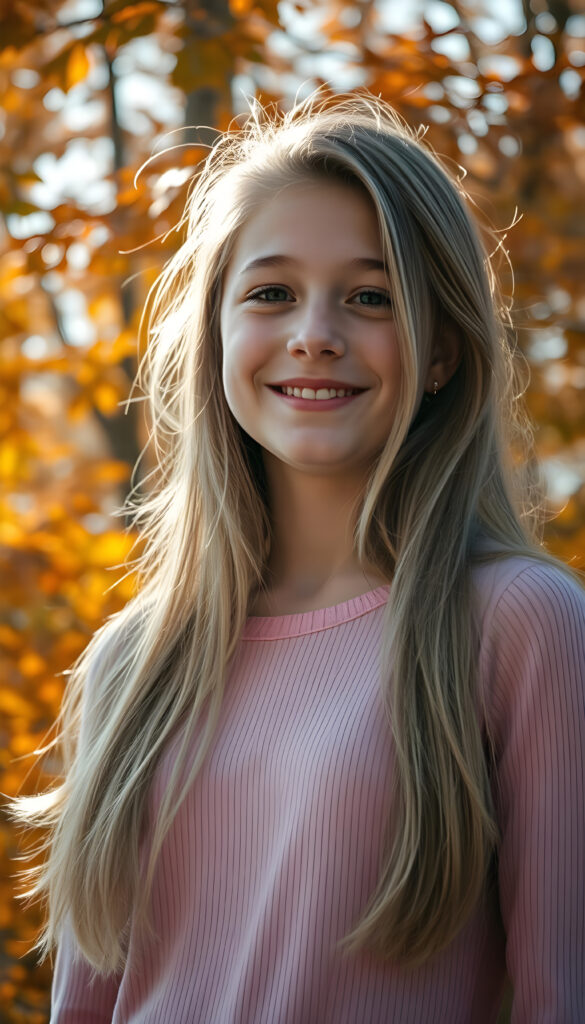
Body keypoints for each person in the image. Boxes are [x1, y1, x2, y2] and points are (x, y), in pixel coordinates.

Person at [13, 93, 585, 1023]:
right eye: (271, 293)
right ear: (217, 333)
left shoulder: (518, 622)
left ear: (442, 349)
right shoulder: (132, 661)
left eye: (370, 297)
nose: (314, 333)